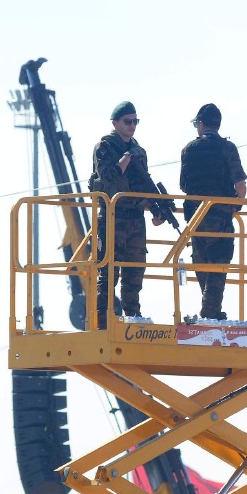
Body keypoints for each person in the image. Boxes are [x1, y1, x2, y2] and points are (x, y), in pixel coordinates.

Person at [90, 102, 165, 327]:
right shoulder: (104, 147)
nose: (132, 126)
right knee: (108, 272)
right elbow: (109, 177)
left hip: (134, 217)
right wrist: (126, 157)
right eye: (127, 121)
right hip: (112, 216)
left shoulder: (138, 150)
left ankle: (132, 316)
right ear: (115, 123)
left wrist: (156, 208)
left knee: (135, 269)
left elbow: (143, 184)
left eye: (135, 121)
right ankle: (103, 321)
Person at [179, 103, 247, 321]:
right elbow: (241, 187)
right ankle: (210, 313)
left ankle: (212, 312)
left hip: (196, 220)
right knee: (218, 266)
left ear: (200, 124)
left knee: (203, 265)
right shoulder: (228, 149)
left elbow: (184, 185)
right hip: (219, 218)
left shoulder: (188, 150)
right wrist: (236, 206)